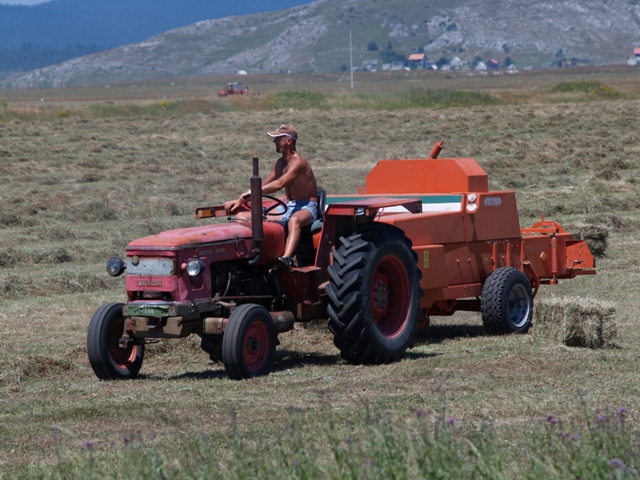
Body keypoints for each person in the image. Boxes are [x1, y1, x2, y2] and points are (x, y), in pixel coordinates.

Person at [224, 124, 319, 269]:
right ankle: (246, 256)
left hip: (306, 206)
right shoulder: (280, 163)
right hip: (289, 205)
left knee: (294, 221)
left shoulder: (298, 163)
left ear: (288, 141)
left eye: (278, 138)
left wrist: (251, 193)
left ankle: (286, 259)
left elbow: (279, 184)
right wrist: (240, 200)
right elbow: (265, 184)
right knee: (242, 217)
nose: (274, 141)